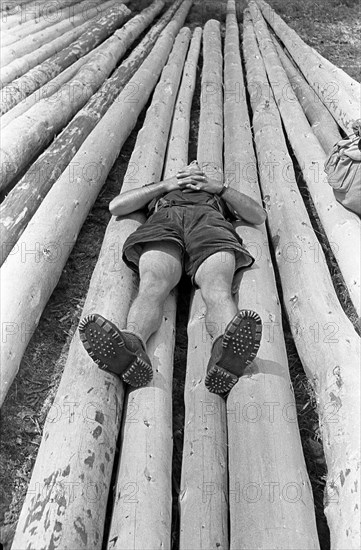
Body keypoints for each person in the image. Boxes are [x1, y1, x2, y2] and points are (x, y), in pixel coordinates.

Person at [79, 161, 267, 396]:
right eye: (187, 165)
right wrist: (164, 186)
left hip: (210, 225)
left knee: (218, 288)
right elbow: (117, 206)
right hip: (165, 223)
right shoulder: (162, 190)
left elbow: (258, 215)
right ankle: (132, 346)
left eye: (199, 166)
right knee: (152, 285)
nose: (193, 164)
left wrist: (220, 188)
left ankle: (225, 353)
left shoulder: (219, 195)